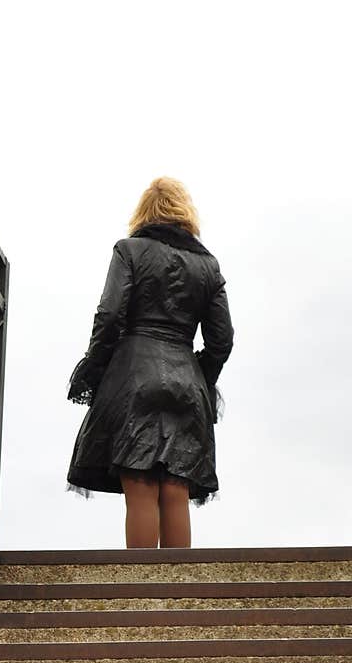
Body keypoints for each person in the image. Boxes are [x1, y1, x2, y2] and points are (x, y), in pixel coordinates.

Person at [66, 176, 234, 548]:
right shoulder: (208, 265)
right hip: (187, 380)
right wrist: (199, 377)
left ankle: (140, 593)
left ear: (143, 213)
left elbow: (109, 316)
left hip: (134, 375)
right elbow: (223, 340)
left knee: (140, 484)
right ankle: (178, 594)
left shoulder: (129, 251)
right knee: (176, 487)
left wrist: (94, 367)